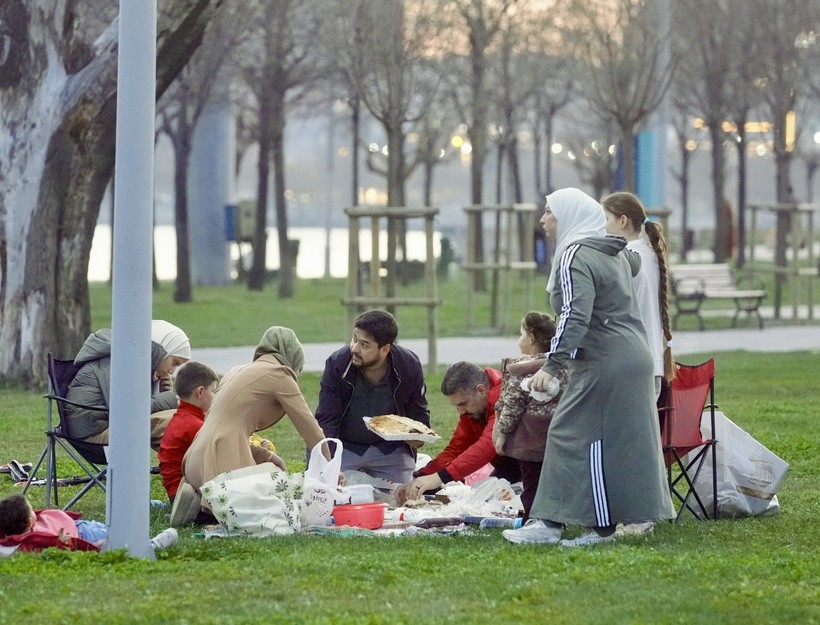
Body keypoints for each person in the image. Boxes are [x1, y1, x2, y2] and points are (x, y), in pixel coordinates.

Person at [502, 187, 673, 548]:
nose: (543, 220)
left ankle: (587, 527)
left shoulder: (575, 254)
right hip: (634, 357)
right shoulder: (613, 251)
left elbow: (574, 314)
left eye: (549, 212)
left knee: (572, 436)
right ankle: (560, 521)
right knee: (618, 444)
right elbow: (633, 266)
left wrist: (552, 363)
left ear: (569, 217)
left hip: (604, 360)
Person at [182, 326, 326, 501]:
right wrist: (330, 471)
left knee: (270, 474)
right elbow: (311, 430)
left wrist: (267, 456)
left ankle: (201, 507)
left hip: (195, 462)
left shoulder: (235, 371)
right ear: (294, 358)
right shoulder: (279, 374)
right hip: (219, 468)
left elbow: (228, 430)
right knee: (279, 491)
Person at [315, 309, 430, 484]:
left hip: (390, 450)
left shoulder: (408, 366)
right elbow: (326, 418)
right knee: (332, 492)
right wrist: (327, 464)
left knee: (400, 498)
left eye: (364, 345)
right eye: (354, 339)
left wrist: (417, 438)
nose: (354, 348)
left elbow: (419, 414)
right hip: (346, 447)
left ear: (385, 349)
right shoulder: (338, 364)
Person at [396, 361, 519, 504]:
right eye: (456, 406)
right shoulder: (475, 409)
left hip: (533, 465)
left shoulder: (504, 395)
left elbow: (488, 445)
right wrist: (420, 477)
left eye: (463, 404)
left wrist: (438, 478)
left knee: (494, 499)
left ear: (481, 390)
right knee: (486, 498)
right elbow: (456, 449)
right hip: (510, 463)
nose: (460, 411)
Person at [64, 319, 191, 449]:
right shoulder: (114, 361)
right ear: (162, 352)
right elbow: (127, 410)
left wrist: (163, 392)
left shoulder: (126, 359)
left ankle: (181, 467)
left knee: (183, 419)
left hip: (108, 426)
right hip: (94, 434)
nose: (171, 371)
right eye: (174, 363)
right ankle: (188, 468)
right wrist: (167, 399)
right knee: (181, 421)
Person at [493, 312, 566, 520]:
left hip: (529, 442)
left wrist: (502, 435)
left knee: (531, 484)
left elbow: (512, 407)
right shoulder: (561, 367)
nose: (520, 340)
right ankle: (556, 517)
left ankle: (533, 518)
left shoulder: (520, 370)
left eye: (521, 334)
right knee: (553, 482)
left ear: (531, 338)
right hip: (556, 439)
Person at [602, 191, 675, 397]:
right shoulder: (650, 253)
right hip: (653, 359)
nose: (604, 226)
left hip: (632, 361)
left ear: (623, 220)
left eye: (607, 219)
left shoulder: (625, 257)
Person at [0, 493, 178, 554]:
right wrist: (63, 543)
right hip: (83, 536)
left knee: (115, 526)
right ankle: (150, 546)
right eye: (32, 511)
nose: (35, 512)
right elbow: (46, 548)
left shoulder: (20, 525)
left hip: (80, 525)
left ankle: (147, 506)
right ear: (28, 521)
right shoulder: (29, 541)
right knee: (118, 539)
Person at [158, 361, 219, 503]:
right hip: (187, 497)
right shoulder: (193, 425)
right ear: (200, 392)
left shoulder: (182, 417)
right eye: (213, 391)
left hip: (177, 493)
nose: (214, 396)